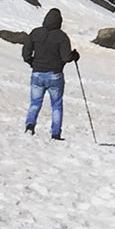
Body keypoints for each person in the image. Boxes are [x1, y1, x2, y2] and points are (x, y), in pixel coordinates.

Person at [21, 8, 78, 141]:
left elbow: (25, 54)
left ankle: (30, 126)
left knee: (35, 103)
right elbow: (66, 57)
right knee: (56, 105)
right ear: (59, 22)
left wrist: (32, 63)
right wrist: (74, 55)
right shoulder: (62, 37)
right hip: (55, 75)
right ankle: (55, 134)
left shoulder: (35, 33)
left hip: (37, 73)